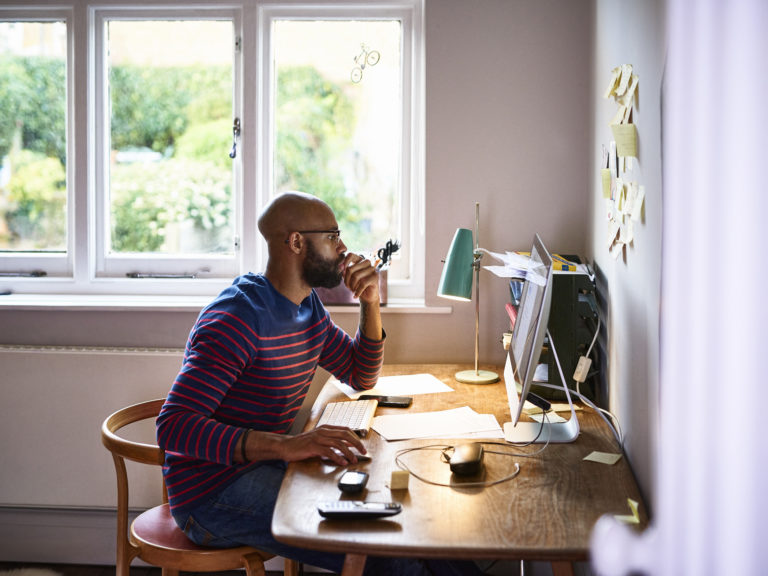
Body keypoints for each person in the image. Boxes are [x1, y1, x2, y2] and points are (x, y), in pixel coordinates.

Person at [156, 191, 485, 576]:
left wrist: (370, 301)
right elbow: (172, 427)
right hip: (211, 494)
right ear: (296, 242)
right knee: (389, 552)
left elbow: (360, 375)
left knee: (422, 525)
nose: (343, 248)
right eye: (332, 236)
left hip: (266, 467)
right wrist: (288, 445)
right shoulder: (238, 319)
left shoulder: (306, 307)